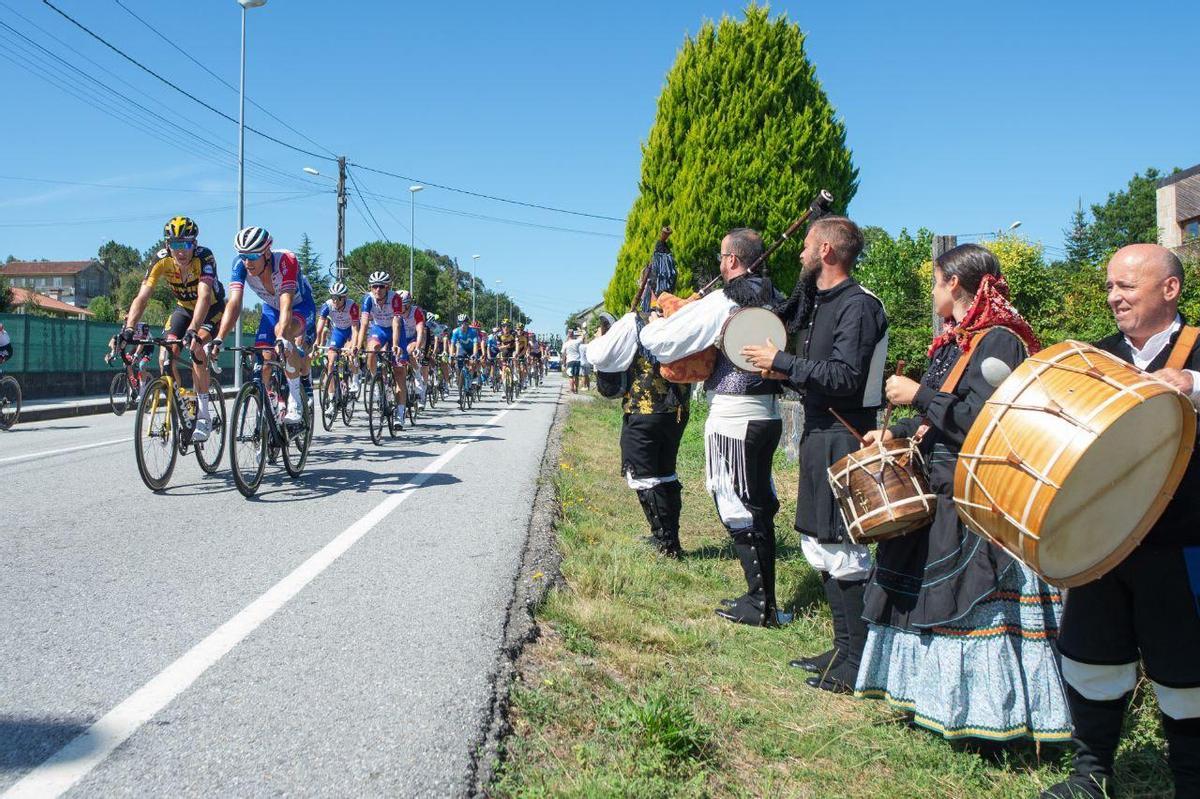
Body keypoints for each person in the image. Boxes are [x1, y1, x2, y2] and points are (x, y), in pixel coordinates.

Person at [852, 243, 1069, 744]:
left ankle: (989, 721)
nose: (932, 292)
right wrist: (897, 430)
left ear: (954, 283)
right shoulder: (956, 342)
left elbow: (988, 421)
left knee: (968, 598)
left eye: (934, 282)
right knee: (926, 593)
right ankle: (931, 700)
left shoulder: (1001, 341)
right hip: (940, 484)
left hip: (978, 492)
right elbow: (937, 415)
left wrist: (917, 395)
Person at [1042, 243, 1200, 799]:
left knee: (1188, 671)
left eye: (1126, 287)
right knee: (1092, 655)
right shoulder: (1096, 357)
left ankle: (1190, 782)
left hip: (1182, 542)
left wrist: (1195, 386)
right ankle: (1092, 773)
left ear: (1170, 289)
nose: (1113, 298)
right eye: (1110, 286)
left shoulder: (1199, 349)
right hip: (1101, 540)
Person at [742, 216, 888, 694]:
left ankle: (858, 660)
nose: (801, 254)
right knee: (822, 544)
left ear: (826, 250)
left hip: (845, 437)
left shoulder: (859, 307)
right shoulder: (820, 304)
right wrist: (783, 370)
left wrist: (783, 363)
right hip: (818, 433)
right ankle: (843, 650)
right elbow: (817, 371)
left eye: (806, 246)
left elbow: (846, 377)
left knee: (843, 548)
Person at [641, 227, 784, 626]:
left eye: (723, 258)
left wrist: (654, 322)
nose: (720, 265)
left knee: (735, 499)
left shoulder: (724, 300)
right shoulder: (779, 299)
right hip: (769, 413)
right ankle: (764, 600)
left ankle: (761, 603)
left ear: (732, 261)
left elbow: (665, 343)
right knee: (758, 499)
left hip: (733, 416)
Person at [589, 234, 692, 558]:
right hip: (677, 412)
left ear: (647, 283)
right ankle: (668, 537)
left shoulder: (635, 321)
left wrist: (603, 336)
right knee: (666, 472)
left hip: (644, 411)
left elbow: (600, 356)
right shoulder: (685, 315)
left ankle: (667, 543)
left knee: (645, 475)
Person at [122, 216, 226, 441]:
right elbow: (143, 296)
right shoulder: (161, 260)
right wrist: (129, 328)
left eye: (186, 244)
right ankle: (181, 402)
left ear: (194, 244)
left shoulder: (204, 257)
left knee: (197, 346)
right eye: (176, 245)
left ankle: (204, 415)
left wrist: (193, 329)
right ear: (168, 245)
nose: (182, 251)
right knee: (165, 356)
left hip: (211, 308)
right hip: (183, 309)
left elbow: (205, 296)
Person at [214, 226, 317, 425]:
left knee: (282, 332)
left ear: (267, 253)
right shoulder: (240, 265)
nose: (247, 261)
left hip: (299, 306)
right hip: (271, 308)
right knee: (263, 357)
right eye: (243, 255)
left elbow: (286, 302)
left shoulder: (286, 260)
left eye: (252, 256)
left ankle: (295, 400)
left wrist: (281, 337)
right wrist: (220, 337)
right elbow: (234, 304)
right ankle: (271, 402)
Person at [356, 271, 410, 427]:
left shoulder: (395, 298)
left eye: (381, 286)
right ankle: (377, 383)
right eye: (374, 286)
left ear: (387, 287)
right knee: (372, 349)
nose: (377, 289)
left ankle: (400, 414)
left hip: (396, 332)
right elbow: (364, 323)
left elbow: (396, 322)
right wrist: (358, 346)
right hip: (378, 329)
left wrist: (394, 344)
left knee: (399, 372)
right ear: (371, 287)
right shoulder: (367, 299)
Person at [315, 282, 362, 395]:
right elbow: (320, 327)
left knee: (350, 354)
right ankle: (331, 397)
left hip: (351, 331)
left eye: (338, 298)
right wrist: (316, 342)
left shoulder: (352, 306)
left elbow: (355, 329)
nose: (335, 301)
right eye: (333, 297)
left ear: (344, 298)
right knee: (330, 362)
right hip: (338, 332)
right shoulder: (327, 305)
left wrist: (354, 345)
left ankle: (355, 379)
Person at [396, 290, 428, 403]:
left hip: (415, 337)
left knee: (410, 351)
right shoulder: (395, 312)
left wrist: (418, 347)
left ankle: (418, 376)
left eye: (402, 305)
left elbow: (420, 331)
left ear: (408, 304)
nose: (399, 307)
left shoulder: (416, 312)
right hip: (402, 338)